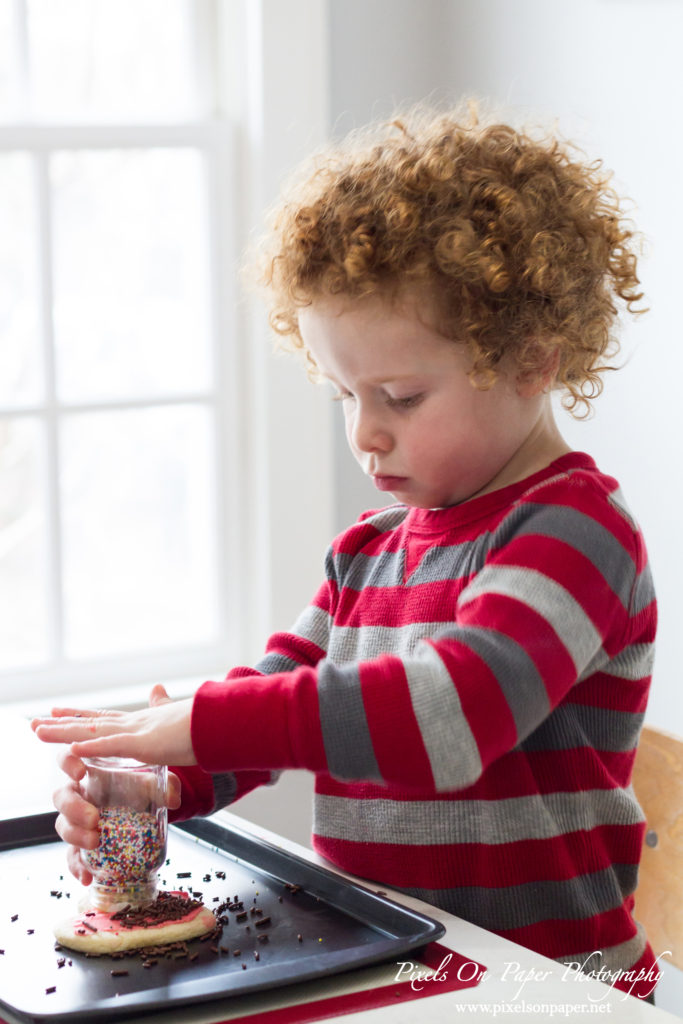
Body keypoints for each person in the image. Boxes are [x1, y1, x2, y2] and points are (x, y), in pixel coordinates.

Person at [32, 102, 659, 1001]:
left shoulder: (575, 530)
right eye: (342, 394)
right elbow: (284, 693)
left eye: (400, 396)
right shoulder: (365, 553)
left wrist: (199, 722)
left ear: (529, 360)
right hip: (397, 959)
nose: (365, 434)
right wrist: (170, 777)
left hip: (550, 988)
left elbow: (451, 715)